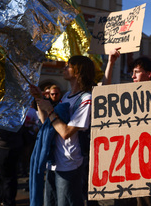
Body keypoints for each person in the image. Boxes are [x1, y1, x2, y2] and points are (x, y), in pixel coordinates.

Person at [30, 55, 95, 206]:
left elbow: (66, 132)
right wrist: (39, 100)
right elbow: (46, 122)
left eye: (68, 66)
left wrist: (50, 110)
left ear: (78, 72)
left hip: (69, 163)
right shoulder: (66, 96)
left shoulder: (86, 98)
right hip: (53, 161)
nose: (64, 68)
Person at [102, 50, 151, 206]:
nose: (132, 76)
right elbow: (103, 93)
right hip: (126, 161)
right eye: (132, 73)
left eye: (137, 72)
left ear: (149, 74)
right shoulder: (126, 94)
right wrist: (111, 62)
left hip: (149, 164)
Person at [0, 126, 23, 206]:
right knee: (4, 176)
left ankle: (8, 201)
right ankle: (3, 196)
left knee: (8, 177)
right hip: (3, 146)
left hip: (7, 147)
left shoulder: (12, 115)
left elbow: (6, 132)